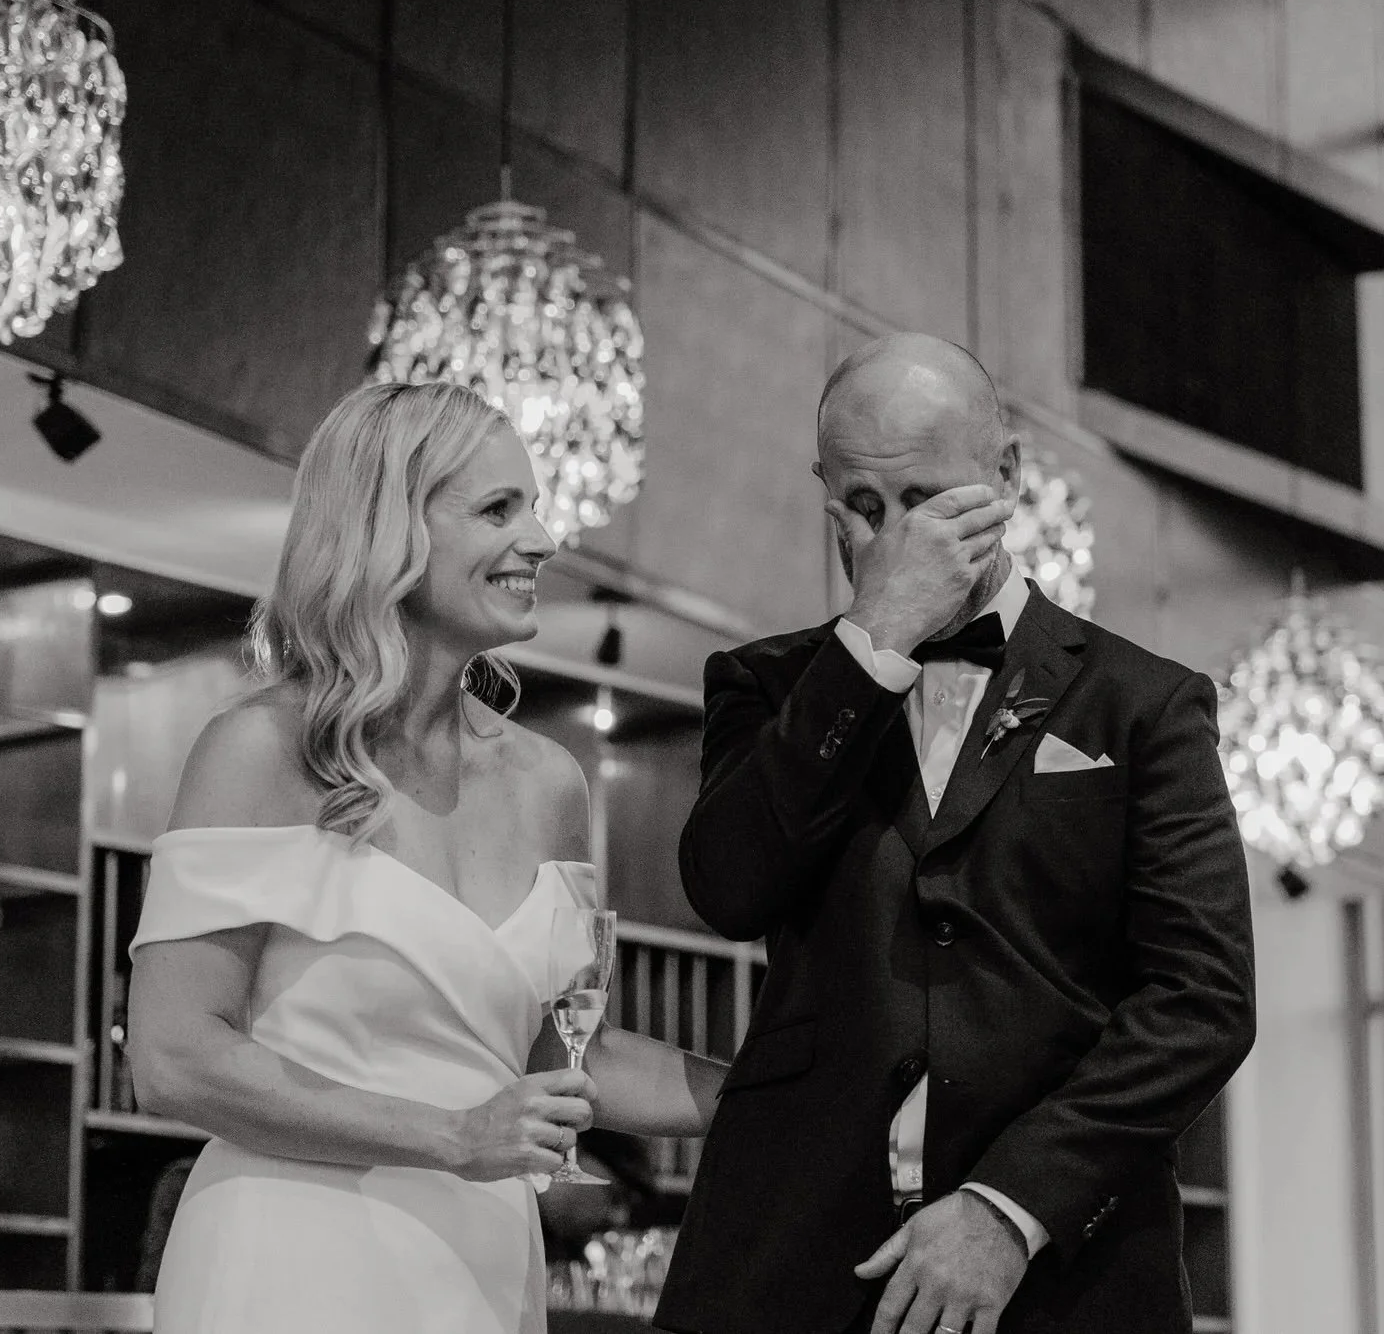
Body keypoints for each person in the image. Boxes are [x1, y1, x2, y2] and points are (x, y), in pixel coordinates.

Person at [653, 334, 1256, 1334]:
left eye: (926, 501)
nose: (893, 540)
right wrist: (871, 644)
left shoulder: (1142, 704)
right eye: (861, 508)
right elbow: (727, 888)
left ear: (1008, 474)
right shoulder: (770, 687)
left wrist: (1011, 1206)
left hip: (1062, 1271)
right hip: (795, 1261)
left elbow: (1203, 1000)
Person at [125, 380, 725, 1334]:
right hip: (289, 1262)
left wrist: (768, 1091)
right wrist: (452, 1135)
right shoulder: (259, 750)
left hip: (482, 1269)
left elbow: (570, 1052)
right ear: (387, 530)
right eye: (498, 509)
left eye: (532, 505)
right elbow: (172, 1059)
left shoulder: (551, 783)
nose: (542, 539)